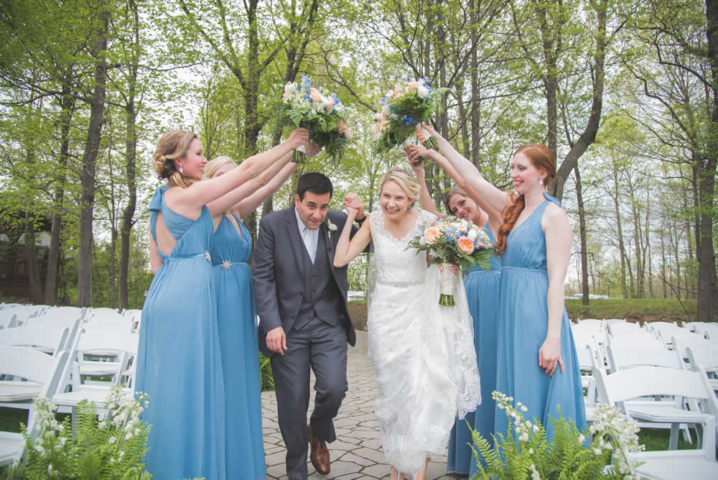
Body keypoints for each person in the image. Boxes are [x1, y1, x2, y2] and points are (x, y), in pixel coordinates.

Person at [136, 128, 307, 479]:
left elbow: (257, 186)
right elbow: (246, 172)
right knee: (189, 386)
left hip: (168, 288)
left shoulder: (172, 200)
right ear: (177, 161)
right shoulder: (184, 197)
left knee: (183, 385)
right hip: (186, 296)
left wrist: (298, 156)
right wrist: (290, 142)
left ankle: (189, 467)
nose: (203, 159)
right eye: (197, 154)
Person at [407, 126, 587, 445]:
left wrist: (553, 338)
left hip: (536, 312)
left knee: (532, 387)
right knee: (511, 390)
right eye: (513, 167)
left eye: (522, 168)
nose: (514, 174)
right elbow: (468, 180)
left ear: (542, 173)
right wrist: (438, 145)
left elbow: (557, 280)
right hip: (509, 310)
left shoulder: (553, 214)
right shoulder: (511, 211)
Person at [333, 167, 481, 480]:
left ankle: (417, 471)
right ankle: (397, 464)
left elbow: (445, 253)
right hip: (386, 315)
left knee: (419, 388)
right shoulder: (373, 221)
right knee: (392, 393)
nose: (391, 202)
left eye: (398, 197)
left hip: (420, 311)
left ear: (410, 198)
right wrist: (349, 217)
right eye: (386, 196)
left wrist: (448, 262)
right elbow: (340, 258)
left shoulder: (427, 222)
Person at [252, 172, 366, 480]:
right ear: (297, 200)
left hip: (329, 324)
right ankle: (296, 470)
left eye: (324, 207)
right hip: (287, 328)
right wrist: (271, 324)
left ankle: (318, 432)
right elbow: (262, 277)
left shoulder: (339, 221)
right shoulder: (273, 225)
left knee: (334, 387)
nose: (318, 214)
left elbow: (369, 243)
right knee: (293, 402)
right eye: (311, 206)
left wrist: (362, 214)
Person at [202, 153, 303, 479]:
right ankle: (224, 460)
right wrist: (290, 146)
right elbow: (257, 178)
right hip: (221, 298)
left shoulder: (233, 212)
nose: (237, 183)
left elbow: (268, 184)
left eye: (237, 178)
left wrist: (298, 158)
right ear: (212, 179)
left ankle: (239, 457)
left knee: (240, 374)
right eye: (228, 177)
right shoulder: (211, 209)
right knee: (226, 373)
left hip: (240, 301)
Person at [408, 158, 502, 476]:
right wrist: (419, 174)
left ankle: (493, 457)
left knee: (491, 373)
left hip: (496, 304)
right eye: (456, 209)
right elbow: (430, 210)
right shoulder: (460, 232)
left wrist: (438, 157)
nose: (461, 211)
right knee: (465, 373)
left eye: (462, 202)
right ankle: (465, 461)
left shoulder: (499, 219)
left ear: (472, 195)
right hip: (468, 304)